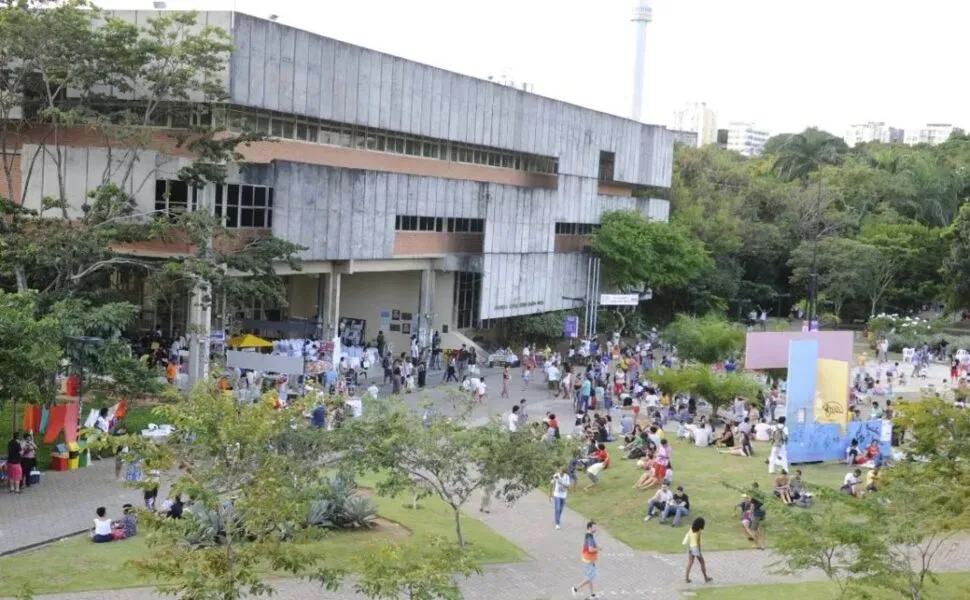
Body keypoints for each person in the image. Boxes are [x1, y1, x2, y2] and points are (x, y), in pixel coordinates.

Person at [571, 521, 600, 599]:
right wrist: (598, 548)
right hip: (589, 560)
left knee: (590, 577)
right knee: (590, 577)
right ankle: (575, 588)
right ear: (590, 528)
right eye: (594, 527)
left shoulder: (589, 535)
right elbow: (590, 549)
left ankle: (592, 595)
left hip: (588, 559)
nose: (596, 528)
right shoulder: (589, 537)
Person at [684, 517, 713, 584]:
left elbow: (689, 538)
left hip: (691, 547)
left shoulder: (690, 529)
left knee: (690, 563)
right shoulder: (698, 532)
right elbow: (698, 543)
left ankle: (686, 578)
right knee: (702, 562)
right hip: (695, 548)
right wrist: (699, 551)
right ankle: (706, 578)